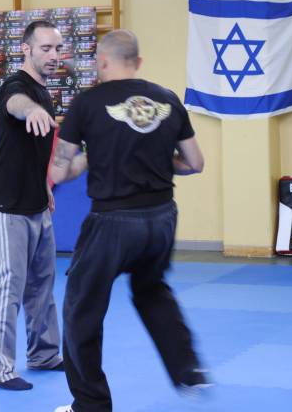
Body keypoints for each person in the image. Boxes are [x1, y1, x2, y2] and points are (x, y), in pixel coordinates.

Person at [49, 29, 208, 412]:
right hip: (162, 218)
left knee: (81, 309)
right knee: (151, 289)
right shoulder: (167, 99)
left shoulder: (87, 103)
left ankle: (91, 406)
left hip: (113, 222)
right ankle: (188, 370)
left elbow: (59, 171)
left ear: (102, 62)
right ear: (138, 62)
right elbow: (194, 163)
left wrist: (91, 157)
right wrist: (157, 160)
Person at [0, 20, 65, 391]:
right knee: (9, 285)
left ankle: (44, 354)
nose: (53, 55)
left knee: (42, 283)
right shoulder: (15, 87)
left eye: (57, 48)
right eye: (45, 48)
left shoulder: (45, 92)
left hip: (36, 203)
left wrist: (45, 187)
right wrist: (30, 110)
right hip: (6, 204)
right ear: (26, 49)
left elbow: (35, 150)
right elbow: (16, 104)